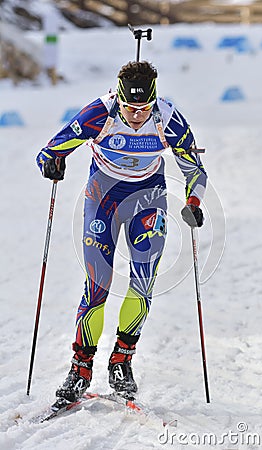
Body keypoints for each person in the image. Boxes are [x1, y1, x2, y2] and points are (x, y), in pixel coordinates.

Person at [36, 60, 207, 402]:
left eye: (144, 108)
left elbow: (195, 168)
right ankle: (80, 366)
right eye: (129, 107)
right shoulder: (98, 113)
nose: (136, 115)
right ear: (119, 98)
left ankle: (122, 360)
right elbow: (50, 150)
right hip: (103, 197)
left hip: (149, 198)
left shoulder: (168, 118)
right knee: (97, 285)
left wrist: (193, 201)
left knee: (143, 281)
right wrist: (52, 163)